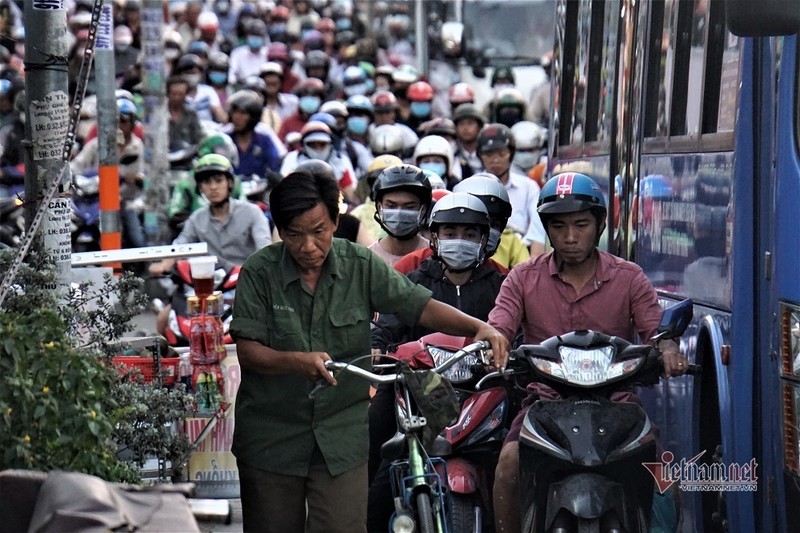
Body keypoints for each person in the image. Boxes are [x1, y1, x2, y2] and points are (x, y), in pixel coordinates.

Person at [228, 166, 509, 533]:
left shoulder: (358, 263)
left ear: (335, 221)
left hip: (340, 435)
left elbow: (416, 304)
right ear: (279, 231)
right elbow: (247, 350)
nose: (308, 246)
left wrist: (478, 327)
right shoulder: (259, 272)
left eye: (318, 232)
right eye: (294, 235)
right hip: (271, 438)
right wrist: (296, 362)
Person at [487, 173, 690, 533]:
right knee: (507, 464)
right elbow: (499, 327)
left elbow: (656, 330)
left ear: (598, 225)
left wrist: (669, 348)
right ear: (546, 229)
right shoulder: (522, 278)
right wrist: (494, 346)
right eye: (559, 226)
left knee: (662, 479)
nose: (569, 236)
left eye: (580, 224)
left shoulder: (629, 277)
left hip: (619, 406)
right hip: (544, 409)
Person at [367, 192, 505, 531]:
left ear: (485, 240)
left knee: (513, 458)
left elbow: (514, 329)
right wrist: (377, 347)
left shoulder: (501, 284)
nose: (460, 241)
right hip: (415, 392)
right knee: (376, 444)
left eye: (470, 235)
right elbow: (385, 325)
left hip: (483, 393)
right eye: (450, 233)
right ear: (434, 237)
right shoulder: (414, 282)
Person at [149, 154, 271, 333]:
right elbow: (180, 245)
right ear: (200, 187)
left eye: (218, 180)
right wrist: (164, 264)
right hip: (205, 290)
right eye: (206, 182)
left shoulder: (252, 213)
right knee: (164, 319)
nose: (213, 187)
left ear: (229, 183)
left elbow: (265, 250)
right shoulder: (197, 218)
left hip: (245, 289)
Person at [477, 123, 546, 257]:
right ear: (480, 156)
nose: (495, 159)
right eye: (489, 154)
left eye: (502, 153)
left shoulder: (529, 186)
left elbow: (537, 231)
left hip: (522, 252)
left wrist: (534, 268)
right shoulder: (469, 186)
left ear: (511, 153)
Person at [368, 164, 432, 266]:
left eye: (409, 207)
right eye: (391, 206)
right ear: (379, 207)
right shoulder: (367, 259)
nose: (398, 213)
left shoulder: (435, 257)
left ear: (423, 210)